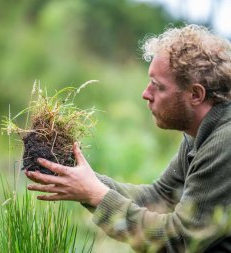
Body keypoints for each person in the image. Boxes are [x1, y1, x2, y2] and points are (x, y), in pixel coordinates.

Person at [25, 24, 231, 253]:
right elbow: (160, 197)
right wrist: (82, 178)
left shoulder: (225, 142)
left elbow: (181, 241)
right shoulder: (201, 133)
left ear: (195, 94)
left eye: (157, 86)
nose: (146, 94)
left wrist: (94, 194)